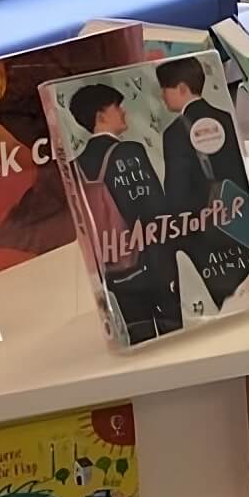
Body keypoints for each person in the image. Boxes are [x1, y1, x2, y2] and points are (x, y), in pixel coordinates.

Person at [68, 83, 181, 346]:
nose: (124, 113)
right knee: (173, 339)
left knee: (140, 339)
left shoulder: (75, 167)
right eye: (117, 107)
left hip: (112, 269)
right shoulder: (129, 152)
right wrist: (169, 267)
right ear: (101, 116)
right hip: (149, 265)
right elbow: (154, 213)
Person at [156, 57, 249, 309]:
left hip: (205, 230)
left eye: (164, 88)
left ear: (181, 88)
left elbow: (177, 193)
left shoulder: (174, 133)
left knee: (225, 301)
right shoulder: (225, 117)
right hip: (242, 220)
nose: (162, 95)